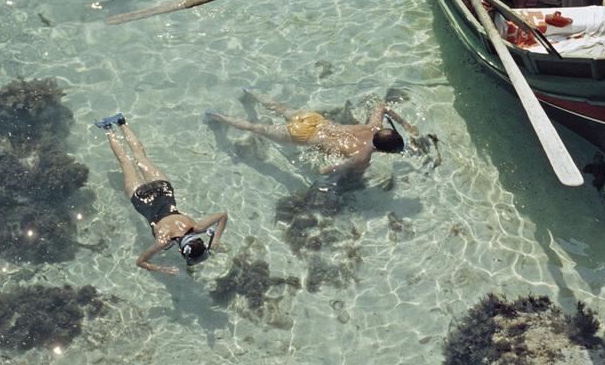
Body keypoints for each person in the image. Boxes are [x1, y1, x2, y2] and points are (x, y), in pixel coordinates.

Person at [97, 113, 227, 276]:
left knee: (140, 156)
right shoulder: (163, 241)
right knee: (125, 161)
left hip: (163, 190)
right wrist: (162, 269)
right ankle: (107, 128)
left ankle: (121, 123)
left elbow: (223, 215)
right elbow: (141, 262)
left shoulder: (197, 227)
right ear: (181, 251)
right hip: (142, 199)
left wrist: (215, 240)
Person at [206, 90, 419, 176]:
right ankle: (217, 116)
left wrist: (406, 125)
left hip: (313, 120)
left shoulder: (373, 127)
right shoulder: (362, 156)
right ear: (385, 151)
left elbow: (382, 106)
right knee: (257, 129)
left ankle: (249, 92)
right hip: (302, 136)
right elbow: (327, 170)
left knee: (279, 108)